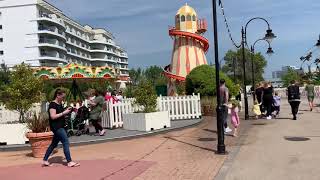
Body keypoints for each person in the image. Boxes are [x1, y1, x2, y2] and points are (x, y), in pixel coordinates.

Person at [42, 89, 80, 167]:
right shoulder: (53, 104)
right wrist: (64, 113)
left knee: (53, 144)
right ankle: (69, 161)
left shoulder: (59, 104)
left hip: (60, 126)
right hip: (57, 127)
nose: (63, 99)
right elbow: (53, 116)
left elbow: (60, 115)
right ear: (58, 95)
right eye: (62, 97)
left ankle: (45, 160)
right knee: (65, 142)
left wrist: (67, 111)